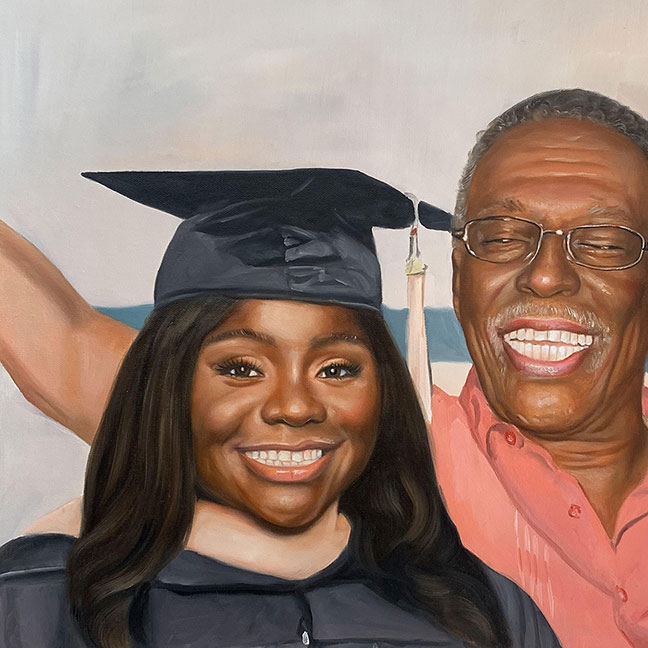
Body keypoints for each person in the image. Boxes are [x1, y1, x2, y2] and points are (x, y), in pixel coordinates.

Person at [1, 89, 648, 646]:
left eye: (603, 242)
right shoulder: (388, 466)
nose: (548, 277)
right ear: (457, 276)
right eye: (501, 237)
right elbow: (69, 346)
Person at [0, 169, 561, 648]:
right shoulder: (45, 602)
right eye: (241, 368)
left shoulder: (484, 612)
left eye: (337, 369)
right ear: (167, 387)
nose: (294, 407)